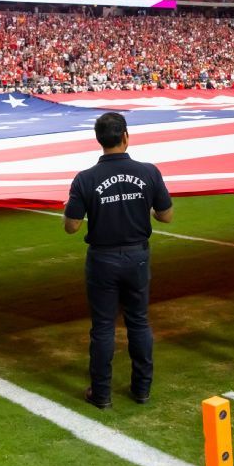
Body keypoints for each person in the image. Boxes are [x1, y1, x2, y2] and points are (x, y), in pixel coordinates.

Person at [63, 112, 173, 406]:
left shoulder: (85, 178)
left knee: (102, 327)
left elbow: (71, 226)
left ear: (99, 140)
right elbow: (167, 215)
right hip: (137, 255)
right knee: (138, 322)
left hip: (102, 259)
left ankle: (101, 394)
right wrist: (143, 207)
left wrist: (85, 209)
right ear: (126, 136)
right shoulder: (149, 172)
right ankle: (142, 390)